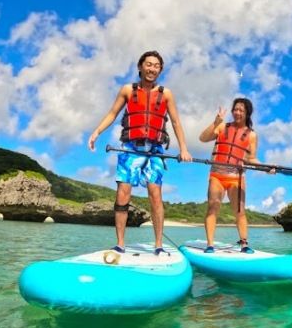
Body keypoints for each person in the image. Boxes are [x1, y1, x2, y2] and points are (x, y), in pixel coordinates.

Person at [88, 50, 192, 254]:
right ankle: (120, 244)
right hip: (130, 148)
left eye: (156, 66)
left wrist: (184, 149)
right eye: (148, 64)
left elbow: (176, 122)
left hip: (154, 150)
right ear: (140, 67)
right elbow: (112, 113)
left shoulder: (166, 94)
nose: (152, 68)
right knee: (122, 195)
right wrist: (97, 132)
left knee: (155, 195)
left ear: (160, 70)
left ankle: (159, 245)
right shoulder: (128, 90)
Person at [198, 97, 265, 254]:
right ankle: (210, 245)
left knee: (239, 211)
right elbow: (202, 138)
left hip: (236, 177)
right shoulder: (222, 127)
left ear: (247, 113)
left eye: (241, 110)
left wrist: (266, 167)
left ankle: (244, 244)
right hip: (217, 175)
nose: (237, 112)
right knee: (213, 207)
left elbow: (252, 158)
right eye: (235, 109)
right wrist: (216, 122)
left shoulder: (252, 135)